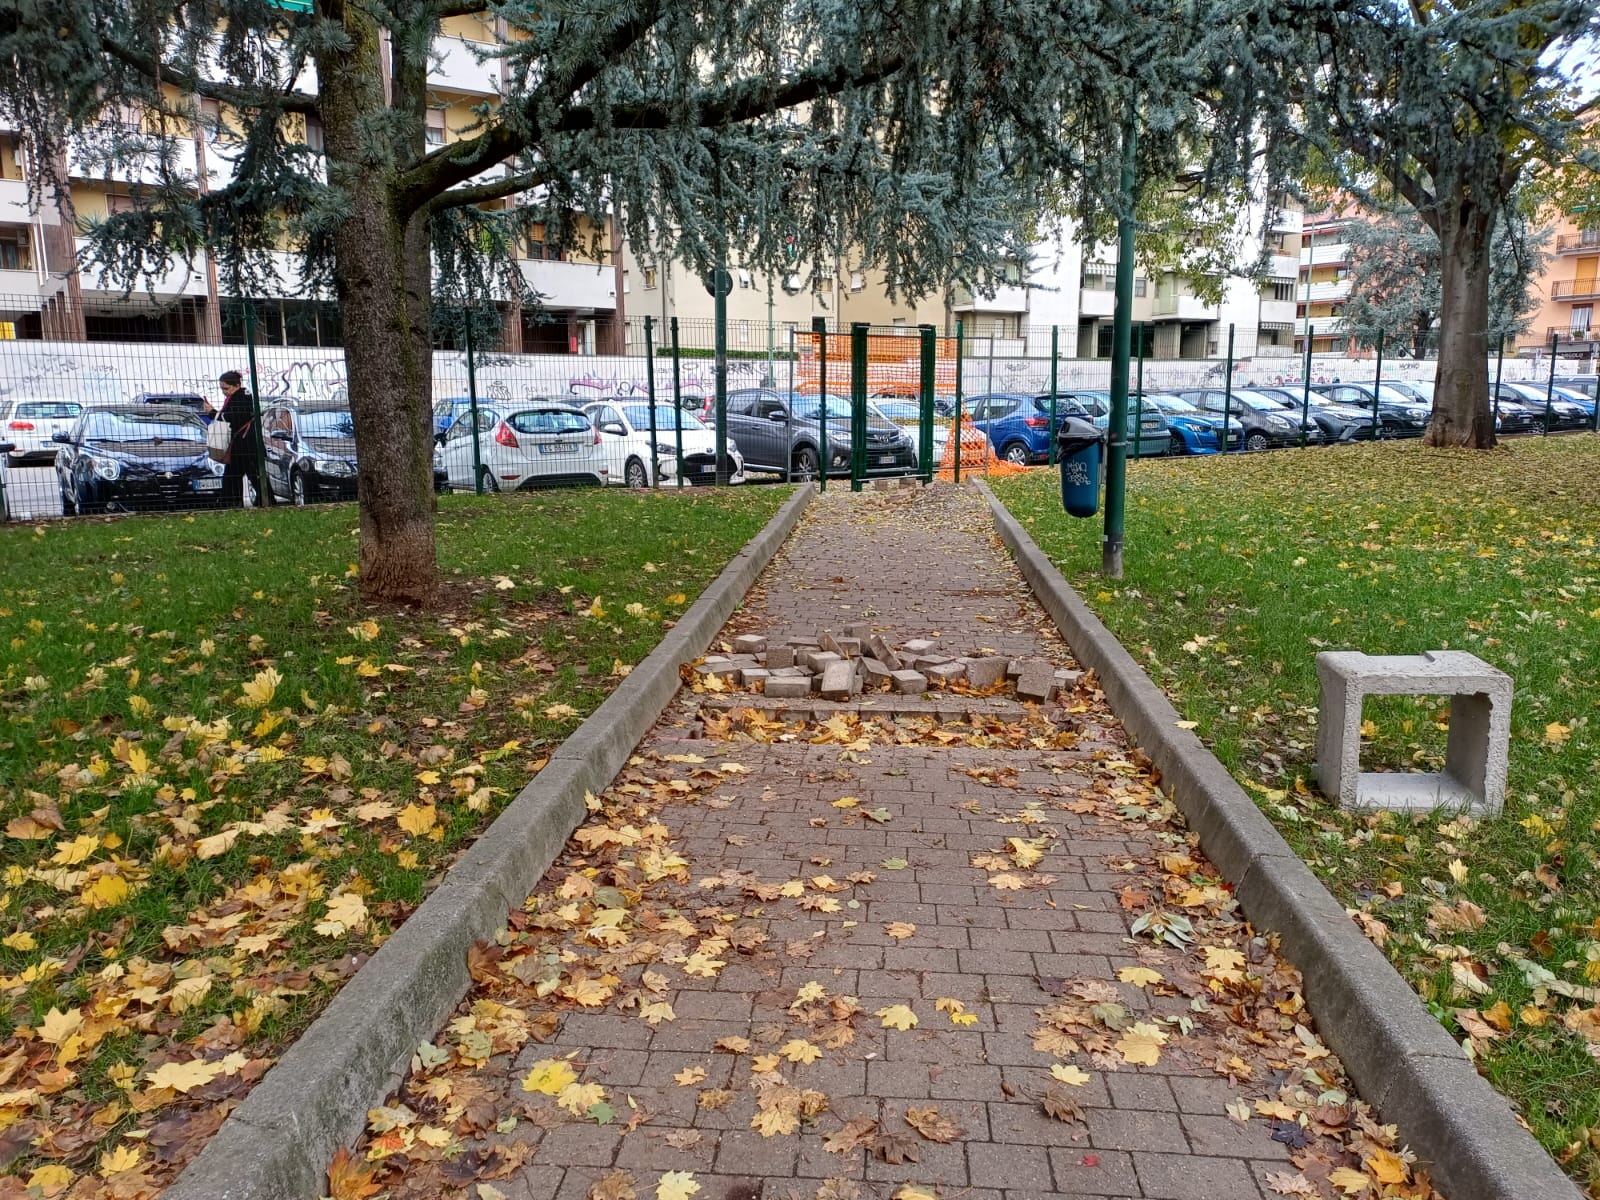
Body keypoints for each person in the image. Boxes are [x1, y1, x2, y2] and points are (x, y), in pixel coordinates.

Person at [217, 370, 259, 507]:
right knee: (253, 476)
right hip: (244, 446)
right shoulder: (240, 397)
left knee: (233, 477)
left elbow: (231, 419)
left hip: (243, 446)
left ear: (237, 385)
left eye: (226, 388)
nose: (224, 392)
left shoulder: (240, 399)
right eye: (222, 389)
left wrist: (212, 413)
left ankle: (231, 503)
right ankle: (266, 500)